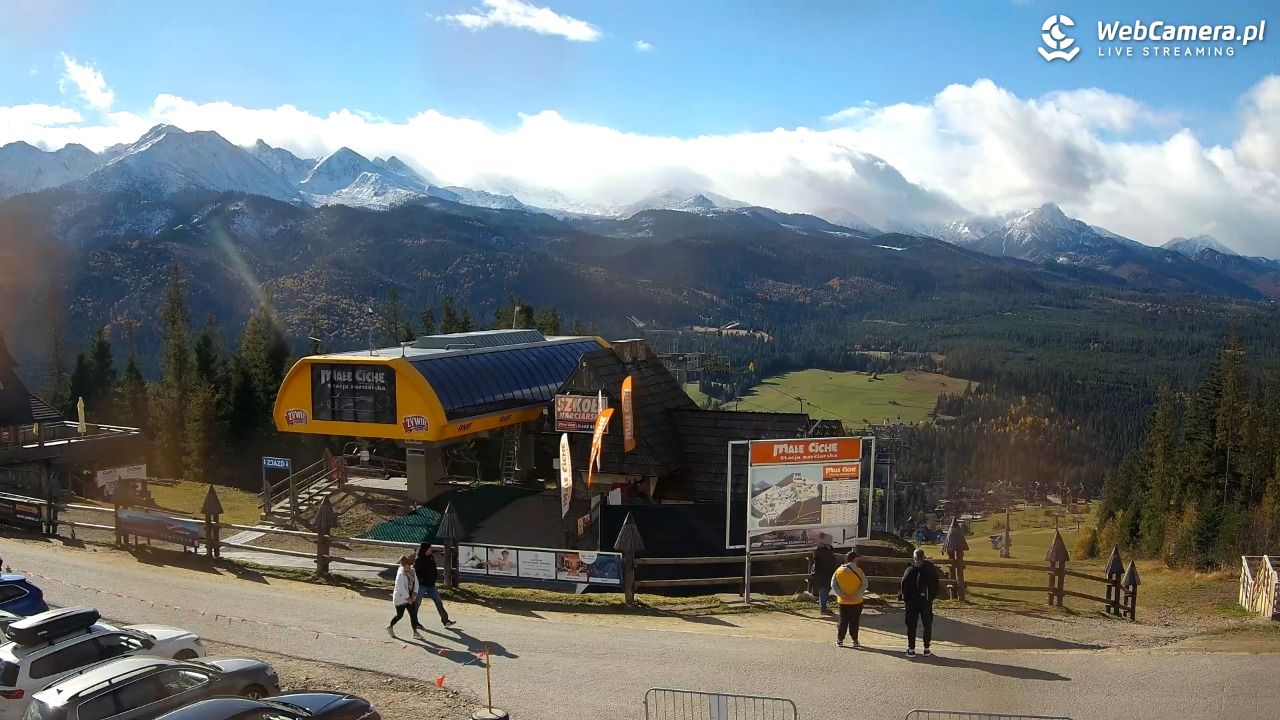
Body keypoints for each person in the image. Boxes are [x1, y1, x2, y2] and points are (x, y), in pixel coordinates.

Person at [900, 548, 940, 657]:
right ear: (924, 557)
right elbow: (936, 585)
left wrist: (906, 599)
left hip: (912, 602)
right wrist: (930, 598)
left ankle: (911, 649)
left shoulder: (910, 570)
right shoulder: (930, 569)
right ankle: (926, 648)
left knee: (911, 625)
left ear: (914, 558)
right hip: (926, 602)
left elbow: (904, 585)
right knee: (927, 624)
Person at [830, 549, 867, 647]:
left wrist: (842, 594)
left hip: (843, 601)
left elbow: (833, 585)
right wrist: (856, 594)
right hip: (857, 601)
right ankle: (855, 640)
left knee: (843, 620)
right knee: (854, 621)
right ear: (854, 559)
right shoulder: (859, 571)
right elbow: (865, 585)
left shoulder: (838, 570)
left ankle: (840, 640)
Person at [414, 544, 456, 628]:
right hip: (421, 585)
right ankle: (414, 621)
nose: (431, 550)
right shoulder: (419, 560)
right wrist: (421, 580)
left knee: (438, 601)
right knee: (417, 603)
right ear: (425, 549)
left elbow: (434, 569)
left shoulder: (431, 557)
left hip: (431, 585)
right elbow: (416, 572)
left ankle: (445, 621)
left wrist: (434, 577)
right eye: (429, 548)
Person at [387, 554, 426, 639]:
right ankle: (390, 626)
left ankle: (415, 632)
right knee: (399, 615)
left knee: (413, 614)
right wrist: (408, 598)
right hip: (401, 597)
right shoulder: (401, 574)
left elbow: (416, 583)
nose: (408, 567)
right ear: (403, 565)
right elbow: (400, 588)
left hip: (410, 594)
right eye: (406, 565)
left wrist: (414, 593)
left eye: (409, 565)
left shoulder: (412, 571)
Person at [811, 537, 837, 614]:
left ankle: (823, 606)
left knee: (826, 589)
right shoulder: (821, 550)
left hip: (828, 573)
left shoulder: (829, 549)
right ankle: (823, 608)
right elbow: (821, 562)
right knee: (824, 589)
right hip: (823, 573)